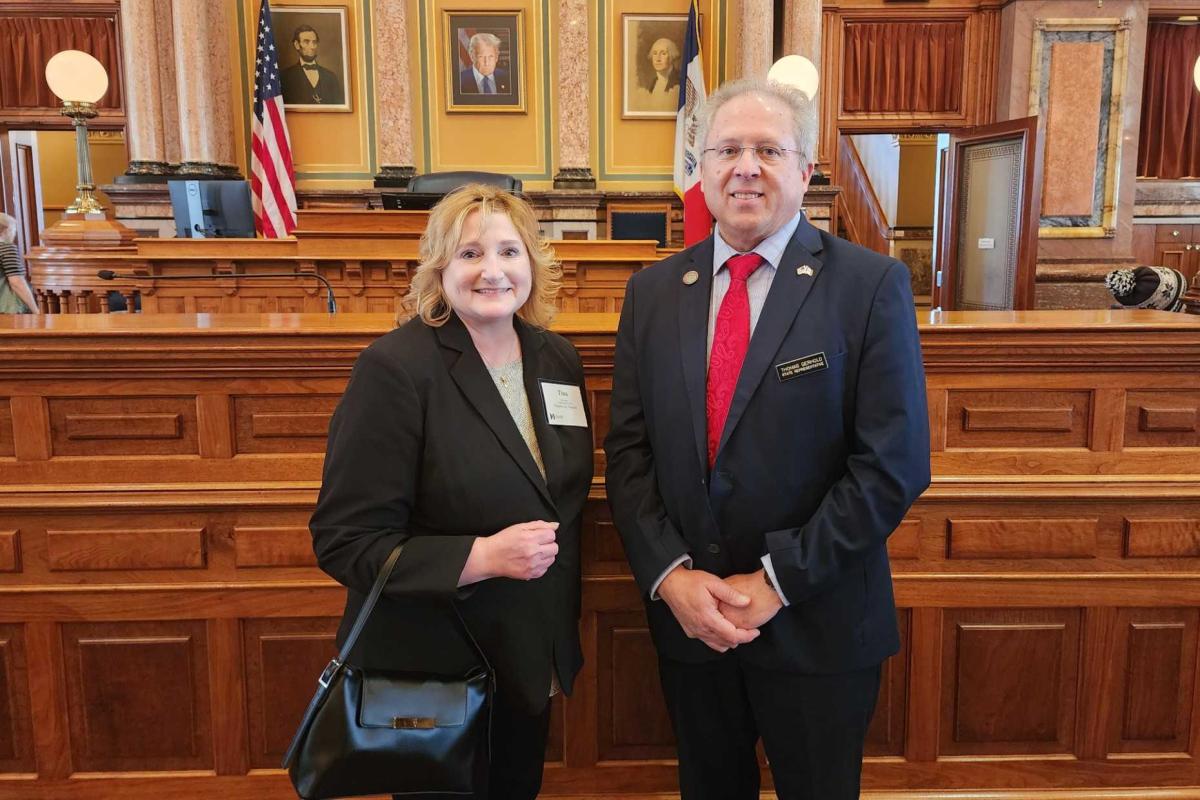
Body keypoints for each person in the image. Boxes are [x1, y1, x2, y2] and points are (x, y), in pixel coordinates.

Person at [604, 77, 931, 800]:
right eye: (726, 149)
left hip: (819, 623)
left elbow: (893, 465)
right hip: (693, 624)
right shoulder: (654, 292)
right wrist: (671, 578)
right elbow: (629, 455)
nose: (744, 166)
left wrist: (779, 582)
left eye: (767, 149)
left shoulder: (869, 285)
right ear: (702, 167)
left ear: (804, 172)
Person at [310, 184, 593, 799]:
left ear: (533, 264)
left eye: (510, 251)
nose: (493, 271)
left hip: (529, 659)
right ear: (439, 268)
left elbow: (560, 494)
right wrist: (482, 557)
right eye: (470, 254)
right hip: (436, 672)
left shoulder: (557, 360)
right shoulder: (395, 369)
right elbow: (344, 540)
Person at [280, 24, 345, 105]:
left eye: (314, 42)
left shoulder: (331, 77)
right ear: (297, 45)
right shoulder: (284, 77)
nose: (312, 46)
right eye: (306, 42)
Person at [0, 213, 38, 314]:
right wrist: (36, 310)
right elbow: (17, 282)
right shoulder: (6, 248)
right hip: (5, 310)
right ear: (6, 229)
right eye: (14, 230)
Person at [634, 36, 680, 113]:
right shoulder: (653, 83)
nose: (658, 59)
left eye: (663, 53)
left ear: (672, 57)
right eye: (655, 53)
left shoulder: (679, 81)